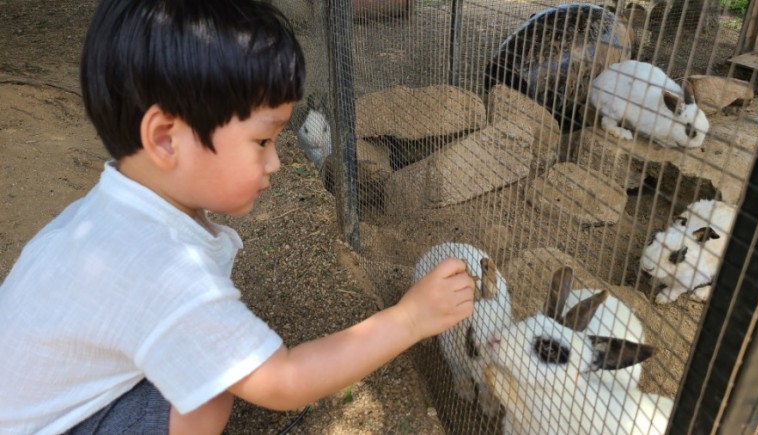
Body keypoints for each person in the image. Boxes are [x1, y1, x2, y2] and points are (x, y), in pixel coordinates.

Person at [0, 1, 476, 434]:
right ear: (166, 139)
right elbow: (283, 380)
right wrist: (410, 318)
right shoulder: (164, 269)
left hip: (34, 401)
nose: (276, 163)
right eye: (262, 142)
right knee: (209, 401)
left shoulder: (111, 211)